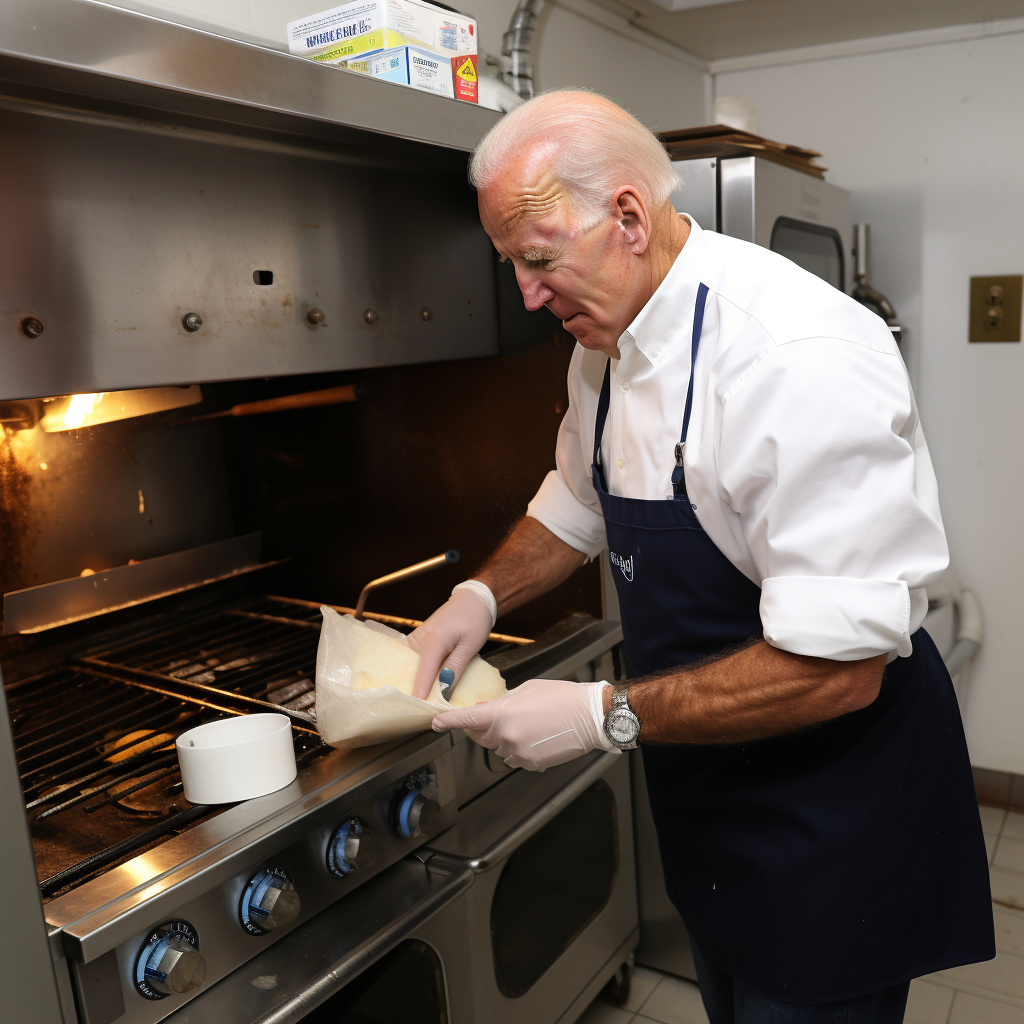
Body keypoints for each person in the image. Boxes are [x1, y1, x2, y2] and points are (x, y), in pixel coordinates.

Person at [407, 90, 994, 1023]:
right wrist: (478, 594)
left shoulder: (792, 356)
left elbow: (837, 673)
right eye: (512, 265)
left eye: (537, 259)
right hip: (709, 785)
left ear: (629, 217)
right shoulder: (600, 341)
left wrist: (603, 714)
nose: (526, 293)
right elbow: (577, 495)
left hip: (832, 814)